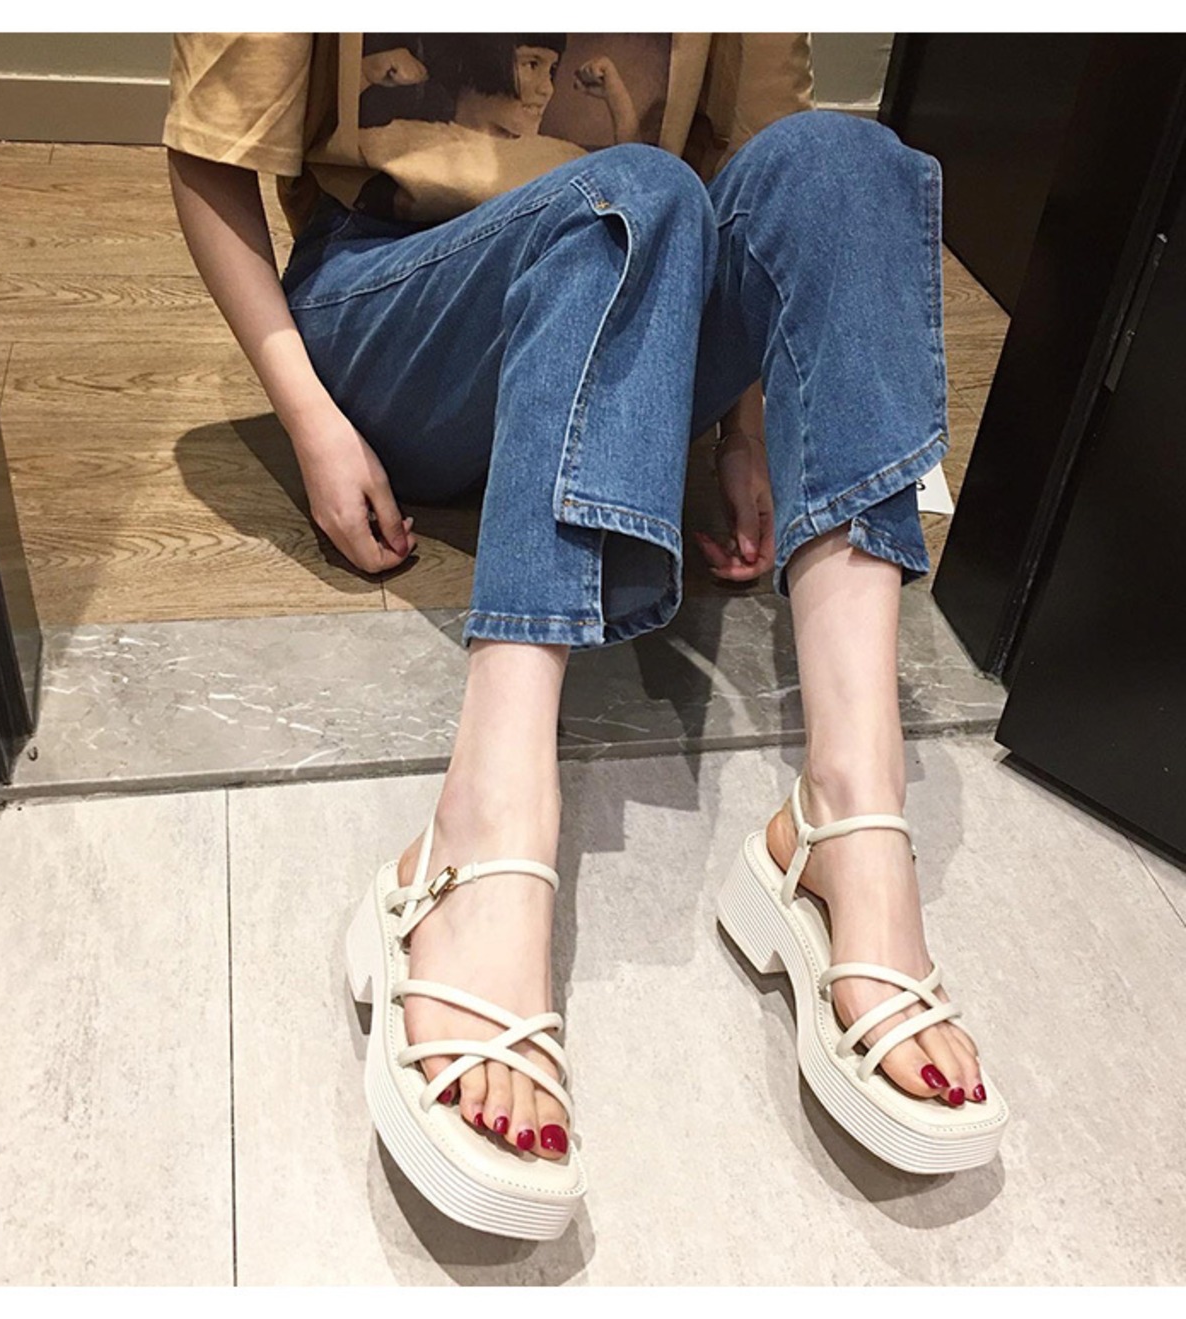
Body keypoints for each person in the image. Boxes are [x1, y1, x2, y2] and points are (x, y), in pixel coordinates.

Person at [164, 31, 1007, 1241]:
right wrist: (309, 419)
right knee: (631, 191)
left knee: (843, 166)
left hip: (634, 299)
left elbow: (760, 178)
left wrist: (743, 433)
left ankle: (847, 815)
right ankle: (483, 823)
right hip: (397, 300)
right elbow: (205, 155)